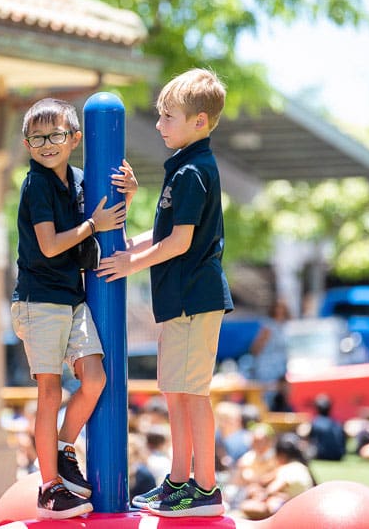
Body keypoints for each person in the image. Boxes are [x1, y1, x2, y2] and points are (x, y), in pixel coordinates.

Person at [97, 68, 233, 517]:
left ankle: (206, 488)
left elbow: (180, 242)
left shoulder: (194, 171)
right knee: (175, 391)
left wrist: (128, 264)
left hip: (196, 300)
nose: (159, 125)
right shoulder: (183, 168)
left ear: (199, 121)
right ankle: (178, 481)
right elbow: (159, 236)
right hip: (180, 303)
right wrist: (123, 244)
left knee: (192, 393)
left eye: (168, 116)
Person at [11, 97, 136, 519]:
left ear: (75, 139)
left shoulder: (78, 179)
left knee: (96, 377)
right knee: (49, 391)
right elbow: (49, 244)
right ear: (27, 144)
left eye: (57, 136)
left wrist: (128, 197)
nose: (48, 145)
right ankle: (48, 487)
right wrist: (89, 226)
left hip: (72, 298)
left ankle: (65, 447)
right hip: (39, 299)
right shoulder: (37, 185)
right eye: (38, 138)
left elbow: (107, 222)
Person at [239, 433, 316, 520]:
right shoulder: (300, 466)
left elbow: (271, 490)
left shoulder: (288, 469)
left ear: (281, 456)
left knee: (247, 506)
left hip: (294, 510)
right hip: (302, 506)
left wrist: (259, 496)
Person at [302, 393, 346, 461]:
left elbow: (309, 440)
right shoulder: (337, 424)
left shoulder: (315, 422)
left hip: (321, 455)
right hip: (338, 456)